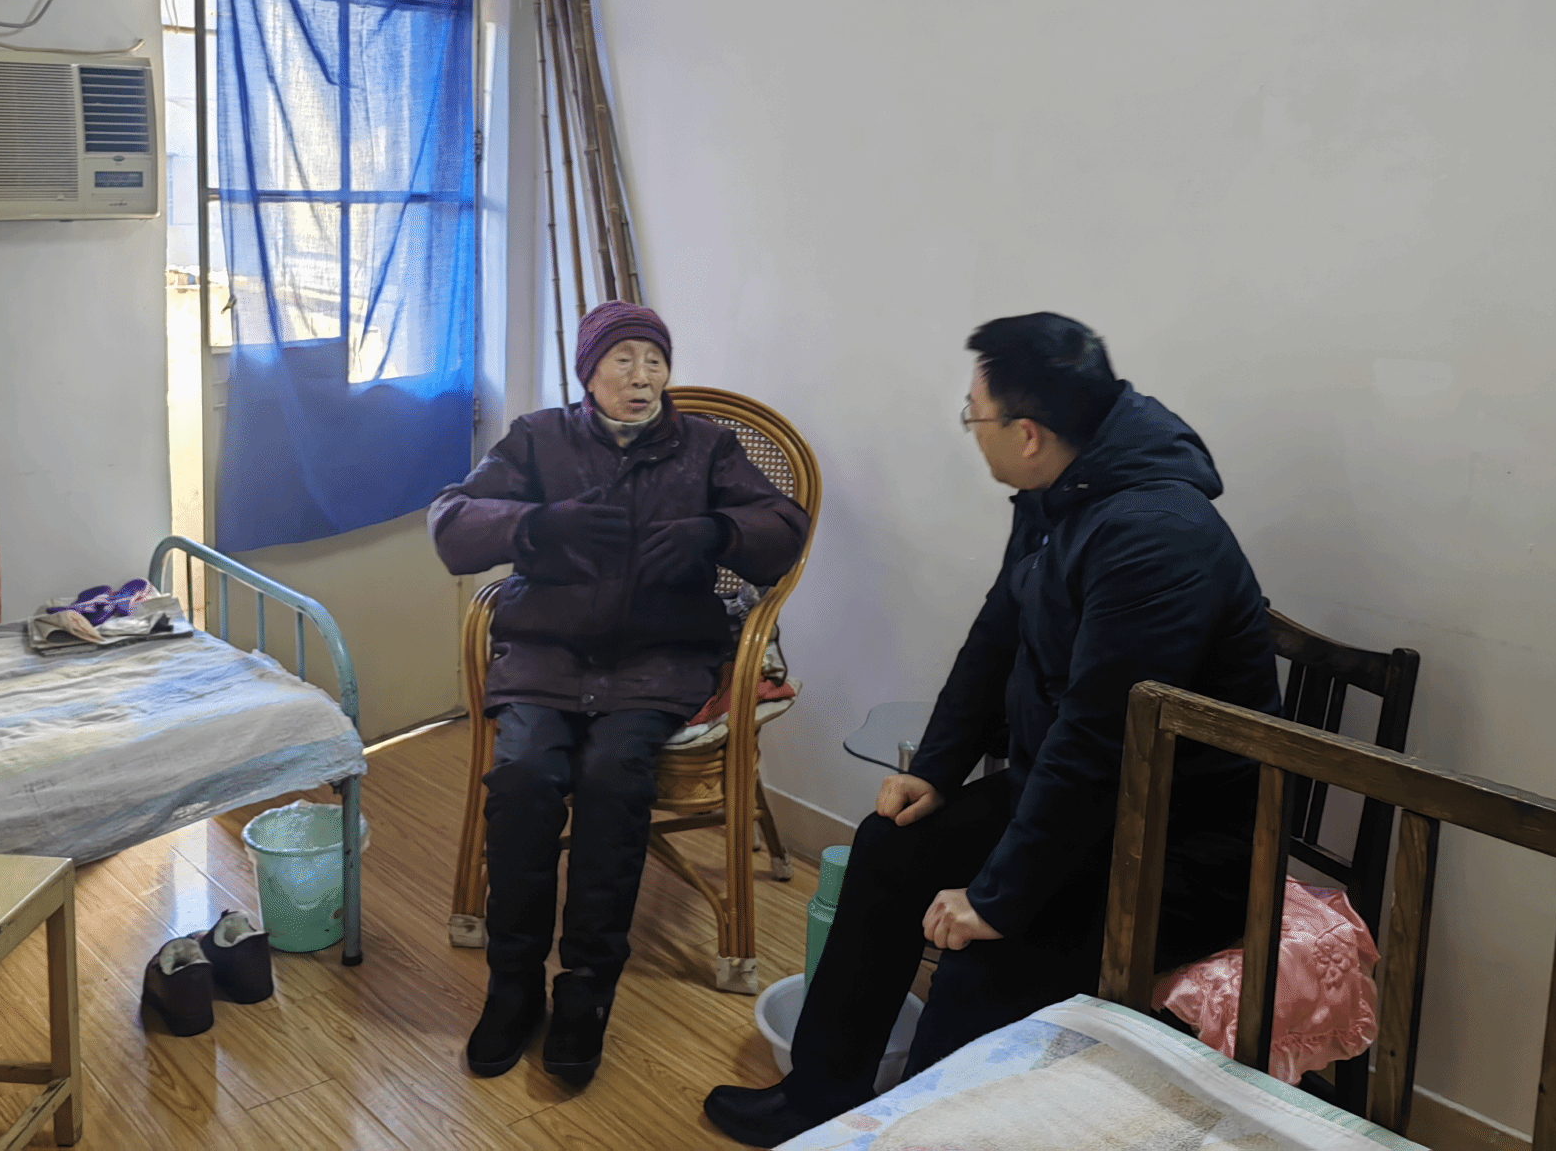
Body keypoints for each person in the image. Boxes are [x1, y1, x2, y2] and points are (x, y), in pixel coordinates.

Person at [703, 312, 1281, 1146]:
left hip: (1173, 844)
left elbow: (1098, 738)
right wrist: (935, 768)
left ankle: (918, 1133)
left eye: (973, 416)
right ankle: (820, 1096)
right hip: (1084, 802)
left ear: (1028, 433)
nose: (971, 430)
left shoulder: (1156, 536)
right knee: (889, 845)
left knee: (982, 957)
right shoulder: (1063, 491)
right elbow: (996, 637)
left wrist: (997, 898)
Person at [428, 301, 810, 1087]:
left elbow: (783, 524)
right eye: (624, 360)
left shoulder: (705, 446)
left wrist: (719, 532)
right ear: (589, 372)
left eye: (655, 361)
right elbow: (452, 521)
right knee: (525, 777)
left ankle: (586, 989)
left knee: (613, 778)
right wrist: (538, 525)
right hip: (547, 653)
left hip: (657, 658)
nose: (642, 378)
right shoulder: (540, 437)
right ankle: (512, 985)